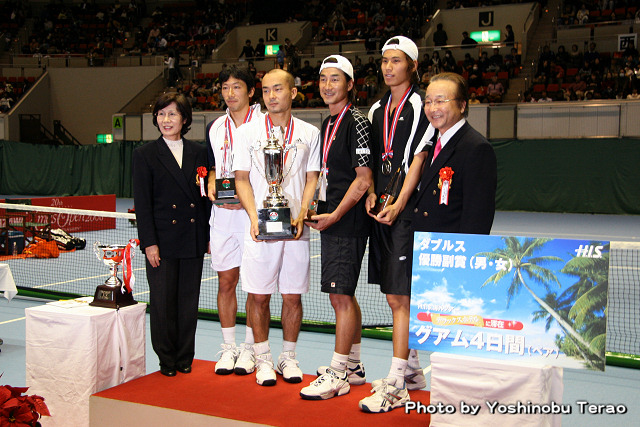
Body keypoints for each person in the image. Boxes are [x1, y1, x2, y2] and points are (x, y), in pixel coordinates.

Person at [233, 69, 321, 386]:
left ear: (293, 92)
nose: (271, 96)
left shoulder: (310, 133)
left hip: (296, 228)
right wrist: (254, 217)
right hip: (260, 227)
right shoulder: (247, 133)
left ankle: (288, 357)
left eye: (278, 89)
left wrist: (302, 213)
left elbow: (312, 178)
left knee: (292, 297)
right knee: (258, 296)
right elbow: (241, 179)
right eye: (266, 90)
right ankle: (263, 358)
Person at [360, 36, 431, 414]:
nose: (388, 67)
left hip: (406, 209)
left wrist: (399, 203)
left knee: (399, 297)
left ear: (412, 66)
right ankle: (413, 370)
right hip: (382, 207)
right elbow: (373, 160)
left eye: (396, 61)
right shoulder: (376, 109)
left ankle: (397, 381)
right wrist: (372, 192)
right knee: (393, 293)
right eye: (384, 61)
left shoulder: (420, 104)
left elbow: (417, 159)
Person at [299, 55, 373, 400]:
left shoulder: (357, 122)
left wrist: (336, 216)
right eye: (323, 79)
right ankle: (353, 366)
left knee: (340, 296)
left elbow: (363, 180)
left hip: (347, 222)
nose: (328, 86)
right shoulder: (328, 123)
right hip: (332, 219)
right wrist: (317, 210)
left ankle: (338, 372)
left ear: (350, 84)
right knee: (344, 294)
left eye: (335, 79)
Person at [133, 93, 211, 377]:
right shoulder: (144, 154)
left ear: (185, 119)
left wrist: (207, 236)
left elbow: (204, 199)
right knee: (163, 302)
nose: (166, 120)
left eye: (172, 114)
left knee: (188, 302)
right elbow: (142, 204)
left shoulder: (199, 152)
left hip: (192, 238)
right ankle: (166, 359)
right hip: (162, 242)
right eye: (161, 114)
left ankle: (184, 356)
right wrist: (149, 243)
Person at [376, 71, 496, 245]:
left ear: (462, 105)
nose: (432, 109)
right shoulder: (433, 143)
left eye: (440, 101)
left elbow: (477, 217)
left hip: (450, 251)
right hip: (427, 248)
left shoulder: (476, 148)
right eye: (428, 102)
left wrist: (465, 253)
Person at [206, 66, 263, 376]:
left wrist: (251, 201)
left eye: (237, 87)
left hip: (253, 215)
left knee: (255, 287)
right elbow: (213, 165)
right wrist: (211, 179)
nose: (230, 93)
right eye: (225, 87)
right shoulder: (215, 127)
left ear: (251, 91)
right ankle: (229, 348)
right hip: (224, 217)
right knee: (226, 282)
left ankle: (251, 349)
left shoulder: (265, 124)